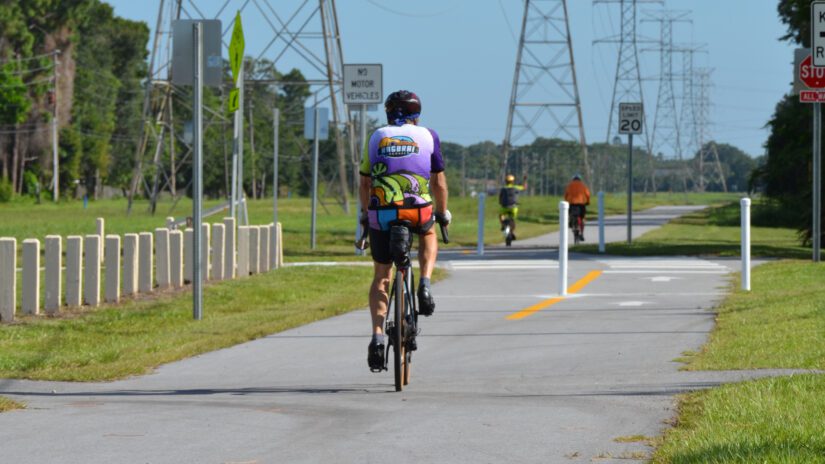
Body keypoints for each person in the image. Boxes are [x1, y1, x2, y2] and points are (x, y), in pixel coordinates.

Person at [359, 90, 451, 372]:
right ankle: (424, 281)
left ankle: (376, 336)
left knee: (381, 276)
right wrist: (441, 213)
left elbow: (364, 184)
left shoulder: (375, 137)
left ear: (388, 113)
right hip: (417, 208)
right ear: (417, 115)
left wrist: (366, 216)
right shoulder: (428, 135)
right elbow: (439, 183)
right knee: (429, 232)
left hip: (382, 212)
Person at [498, 174, 527, 240]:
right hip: (514, 208)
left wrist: (500, 202)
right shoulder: (516, 187)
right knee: (512, 220)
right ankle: (512, 231)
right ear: (513, 181)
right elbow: (524, 187)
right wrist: (525, 180)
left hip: (504, 207)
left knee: (501, 215)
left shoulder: (503, 188)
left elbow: (500, 197)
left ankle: (503, 225)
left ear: (506, 181)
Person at [564, 174, 591, 241]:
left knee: (570, 214)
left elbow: (566, 195)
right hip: (581, 204)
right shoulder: (583, 185)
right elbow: (588, 194)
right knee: (582, 218)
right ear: (580, 179)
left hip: (571, 204)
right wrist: (588, 202)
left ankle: (571, 222)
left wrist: (566, 201)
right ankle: (581, 233)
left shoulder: (569, 185)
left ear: (573, 179)